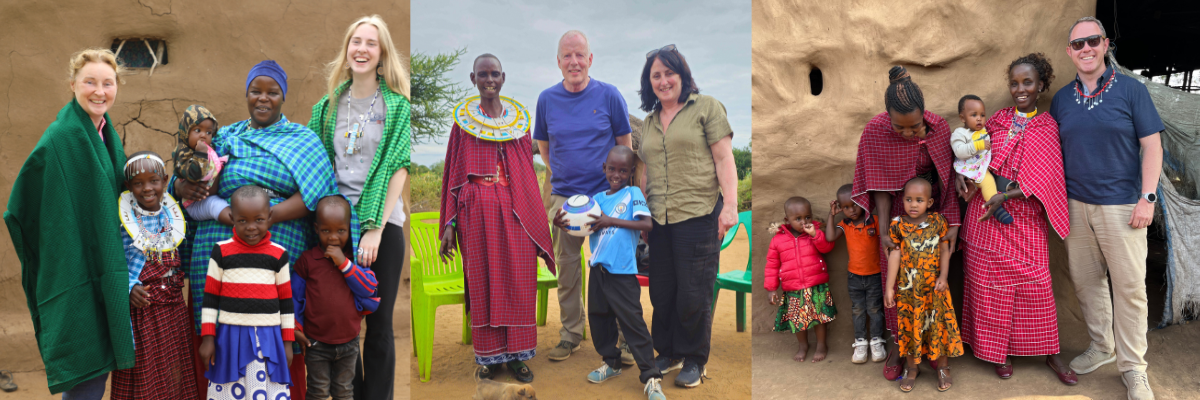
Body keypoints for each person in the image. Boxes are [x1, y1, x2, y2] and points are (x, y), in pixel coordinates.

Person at [175, 60, 346, 400]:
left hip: (275, 251)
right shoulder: (224, 136)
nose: (263, 99)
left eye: (272, 92)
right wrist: (181, 187)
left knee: (276, 335)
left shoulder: (302, 139)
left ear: (284, 96)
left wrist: (270, 217)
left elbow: (320, 194)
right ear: (246, 94)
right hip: (217, 253)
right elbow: (190, 173)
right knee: (215, 336)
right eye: (256, 91)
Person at [4, 48, 133, 398]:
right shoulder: (62, 136)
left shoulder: (105, 133)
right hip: (73, 267)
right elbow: (23, 204)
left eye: (107, 83)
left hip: (103, 260)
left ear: (117, 86)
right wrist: (65, 238)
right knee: (85, 366)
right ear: (73, 84)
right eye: (89, 82)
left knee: (98, 366)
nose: (99, 91)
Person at [1050, 16, 1164, 400]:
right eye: (1078, 44)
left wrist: (1147, 198)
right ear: (1069, 52)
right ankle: (1102, 346)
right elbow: (1046, 153)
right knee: (1086, 282)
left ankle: (1134, 369)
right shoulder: (1063, 99)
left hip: (1122, 206)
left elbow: (1152, 146)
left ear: (1105, 44)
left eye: (1092, 41)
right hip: (1075, 205)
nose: (1086, 49)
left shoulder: (1131, 91)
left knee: (1130, 288)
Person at [307, 15, 411, 399]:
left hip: (382, 226)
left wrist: (376, 227)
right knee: (342, 323)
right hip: (336, 226)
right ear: (346, 50)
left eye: (371, 43)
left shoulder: (398, 107)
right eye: (356, 42)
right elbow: (316, 163)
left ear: (382, 53)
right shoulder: (327, 107)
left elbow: (398, 165)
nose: (362, 49)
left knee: (379, 324)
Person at [960, 53, 1077, 386]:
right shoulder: (996, 119)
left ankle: (1051, 353)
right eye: (1014, 82)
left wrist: (1008, 195)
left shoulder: (1046, 126)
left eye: (1027, 82)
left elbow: (1048, 176)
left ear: (1041, 85)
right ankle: (999, 353)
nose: (1020, 88)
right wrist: (965, 176)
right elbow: (976, 153)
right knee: (988, 289)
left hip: (1024, 216)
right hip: (985, 215)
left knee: (1037, 286)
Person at [439, 53, 555, 383]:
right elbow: (452, 175)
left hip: (514, 207)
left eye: (494, 74)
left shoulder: (519, 125)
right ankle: (490, 358)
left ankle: (519, 356)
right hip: (475, 211)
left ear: (503, 78)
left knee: (519, 279)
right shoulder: (462, 125)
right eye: (482, 74)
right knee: (484, 279)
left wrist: (533, 216)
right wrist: (449, 224)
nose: (489, 80)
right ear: (472, 79)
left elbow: (524, 171)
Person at [636, 43, 738, 388]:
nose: (663, 81)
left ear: (682, 75)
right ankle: (666, 351)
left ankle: (694, 358)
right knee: (662, 291)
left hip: (697, 214)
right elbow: (645, 171)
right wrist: (642, 215)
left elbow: (724, 159)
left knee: (694, 292)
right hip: (658, 219)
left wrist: (730, 206)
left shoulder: (705, 108)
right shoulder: (649, 122)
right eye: (656, 75)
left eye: (669, 73)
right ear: (649, 83)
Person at [849, 65, 960, 381]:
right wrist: (885, 234)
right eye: (902, 129)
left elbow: (946, 177)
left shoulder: (938, 128)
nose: (911, 134)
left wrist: (950, 221)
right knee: (897, 285)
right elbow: (879, 187)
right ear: (888, 118)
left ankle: (935, 350)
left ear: (924, 114)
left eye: (916, 127)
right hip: (897, 214)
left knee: (935, 284)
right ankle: (899, 346)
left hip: (932, 213)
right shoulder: (875, 131)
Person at [534, 30, 633, 362]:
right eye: (567, 55)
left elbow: (625, 146)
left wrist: (617, 193)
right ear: (558, 62)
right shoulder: (546, 99)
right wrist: (563, 179)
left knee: (613, 268)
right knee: (567, 268)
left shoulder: (609, 96)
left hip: (605, 198)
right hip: (564, 199)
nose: (574, 61)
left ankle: (623, 337)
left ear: (590, 59)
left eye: (580, 55)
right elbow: (545, 149)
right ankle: (571, 334)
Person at [552, 146, 666, 400]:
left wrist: (611, 220)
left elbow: (646, 224)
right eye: (612, 169)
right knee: (599, 319)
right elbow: (582, 227)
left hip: (623, 273)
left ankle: (651, 376)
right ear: (604, 169)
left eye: (623, 170)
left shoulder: (632, 193)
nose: (617, 174)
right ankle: (611, 363)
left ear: (630, 172)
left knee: (633, 323)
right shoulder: (596, 200)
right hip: (598, 270)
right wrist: (562, 223)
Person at [111, 151, 197, 399]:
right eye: (138, 183)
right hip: (144, 310)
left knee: (175, 366)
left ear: (166, 180)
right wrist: (129, 287)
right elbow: (115, 262)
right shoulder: (123, 220)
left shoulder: (174, 215)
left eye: (154, 181)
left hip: (173, 305)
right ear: (128, 186)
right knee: (145, 369)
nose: (147, 188)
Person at [198, 185, 295, 399]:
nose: (251, 227)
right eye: (243, 220)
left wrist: (287, 343)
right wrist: (208, 339)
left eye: (258, 219)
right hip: (230, 338)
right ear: (232, 218)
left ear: (269, 216)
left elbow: (286, 303)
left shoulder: (279, 255)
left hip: (268, 339)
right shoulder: (221, 251)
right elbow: (210, 299)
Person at [293, 196, 381, 400]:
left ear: (349, 229)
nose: (333, 237)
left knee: (344, 391)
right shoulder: (308, 261)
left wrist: (344, 264)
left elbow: (369, 288)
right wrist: (296, 328)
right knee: (318, 391)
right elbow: (294, 297)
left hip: (349, 343)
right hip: (316, 343)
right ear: (316, 228)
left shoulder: (355, 260)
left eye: (340, 231)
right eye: (326, 231)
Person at [883, 178, 963, 393]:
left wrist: (944, 277)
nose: (913, 204)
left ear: (929, 203)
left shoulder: (938, 222)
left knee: (939, 326)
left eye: (919, 200)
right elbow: (894, 255)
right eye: (909, 199)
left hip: (934, 288)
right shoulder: (897, 224)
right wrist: (889, 287)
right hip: (909, 291)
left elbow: (945, 249)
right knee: (909, 327)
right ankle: (912, 368)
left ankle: (943, 367)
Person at [765, 197, 836, 363]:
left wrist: (815, 235)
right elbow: (771, 266)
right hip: (793, 288)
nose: (804, 222)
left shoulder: (814, 233)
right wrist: (771, 288)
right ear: (787, 220)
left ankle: (821, 345)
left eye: (807, 217)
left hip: (816, 285)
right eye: (798, 219)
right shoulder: (777, 240)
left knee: (820, 318)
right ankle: (803, 346)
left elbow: (827, 247)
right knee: (797, 320)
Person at [823, 184, 885, 364]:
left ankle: (876, 341)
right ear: (841, 208)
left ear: (865, 202)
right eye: (846, 207)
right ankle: (860, 343)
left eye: (855, 204)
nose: (851, 210)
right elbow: (829, 237)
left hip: (875, 275)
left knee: (875, 310)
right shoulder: (845, 224)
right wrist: (832, 215)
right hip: (854, 277)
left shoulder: (874, 221)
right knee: (857, 310)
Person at [951, 95, 1011, 224]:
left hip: (980, 169)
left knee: (988, 182)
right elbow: (959, 151)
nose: (979, 118)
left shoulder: (984, 131)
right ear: (962, 118)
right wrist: (978, 145)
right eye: (974, 115)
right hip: (965, 170)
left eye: (982, 115)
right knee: (961, 195)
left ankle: (995, 208)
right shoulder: (960, 133)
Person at [172, 105, 229, 221]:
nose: (203, 135)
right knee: (218, 207)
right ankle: (235, 222)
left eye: (208, 132)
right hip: (194, 203)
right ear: (186, 132)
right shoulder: (182, 152)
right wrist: (201, 155)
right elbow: (194, 175)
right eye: (197, 130)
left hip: (210, 196)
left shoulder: (210, 148)